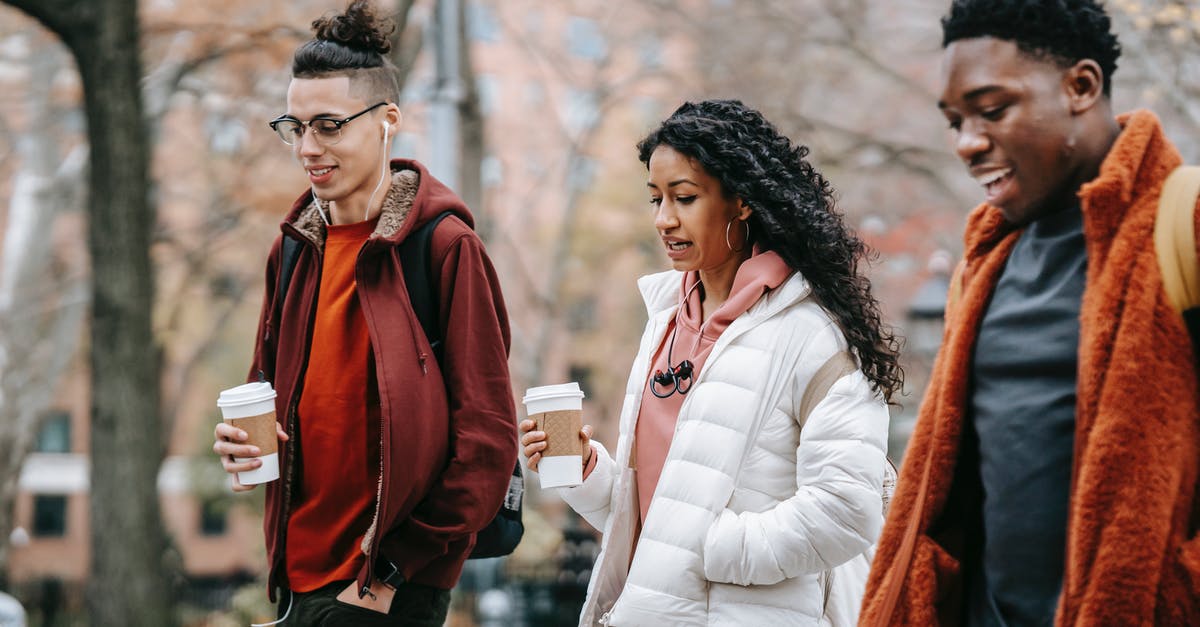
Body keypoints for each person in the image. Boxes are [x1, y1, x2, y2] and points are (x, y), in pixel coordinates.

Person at [860, 1, 1200, 625]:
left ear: (1081, 86)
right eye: (955, 120)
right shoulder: (985, 262)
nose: (968, 142)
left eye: (993, 110)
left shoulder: (1186, 223)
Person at [520, 99, 901, 626]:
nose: (663, 219)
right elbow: (652, 524)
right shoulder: (665, 322)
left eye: (685, 198)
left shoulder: (811, 333)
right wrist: (585, 471)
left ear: (742, 202)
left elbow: (845, 510)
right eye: (655, 199)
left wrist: (710, 547)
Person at [211, 2, 518, 625]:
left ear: (387, 123)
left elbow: (487, 440)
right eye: (294, 127)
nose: (307, 147)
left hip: (384, 590)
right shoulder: (293, 248)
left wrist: (392, 573)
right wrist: (239, 442)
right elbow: (265, 390)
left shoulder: (444, 247)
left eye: (329, 125)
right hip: (294, 579)